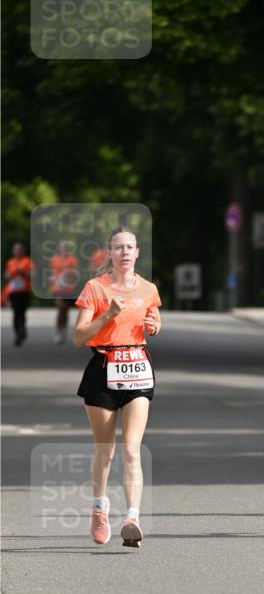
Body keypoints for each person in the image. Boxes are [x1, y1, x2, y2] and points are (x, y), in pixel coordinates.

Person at [73, 227, 161, 548]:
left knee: (132, 449)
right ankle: (100, 507)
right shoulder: (95, 288)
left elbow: (154, 319)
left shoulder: (149, 289)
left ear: (138, 253)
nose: (124, 252)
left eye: (129, 247)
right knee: (106, 451)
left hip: (137, 369)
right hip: (103, 369)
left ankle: (132, 518)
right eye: (118, 247)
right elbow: (79, 336)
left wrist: (155, 325)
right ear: (109, 253)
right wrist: (107, 315)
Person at [2, 242, 34, 346]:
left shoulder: (27, 261)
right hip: (13, 291)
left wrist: (23, 272)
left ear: (23, 251)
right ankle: (18, 335)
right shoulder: (10, 262)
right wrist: (13, 272)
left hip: (24, 291)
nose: (18, 252)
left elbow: (33, 274)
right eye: (16, 250)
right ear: (13, 252)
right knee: (16, 312)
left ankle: (22, 329)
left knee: (22, 312)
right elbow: (6, 275)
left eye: (19, 250)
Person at [50, 239, 80, 344]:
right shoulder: (54, 259)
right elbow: (52, 272)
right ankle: (58, 330)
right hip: (58, 288)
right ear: (59, 248)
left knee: (65, 310)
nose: (64, 249)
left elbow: (76, 272)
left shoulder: (72, 259)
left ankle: (63, 330)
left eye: (65, 247)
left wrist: (70, 275)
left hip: (68, 288)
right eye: (62, 247)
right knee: (60, 309)